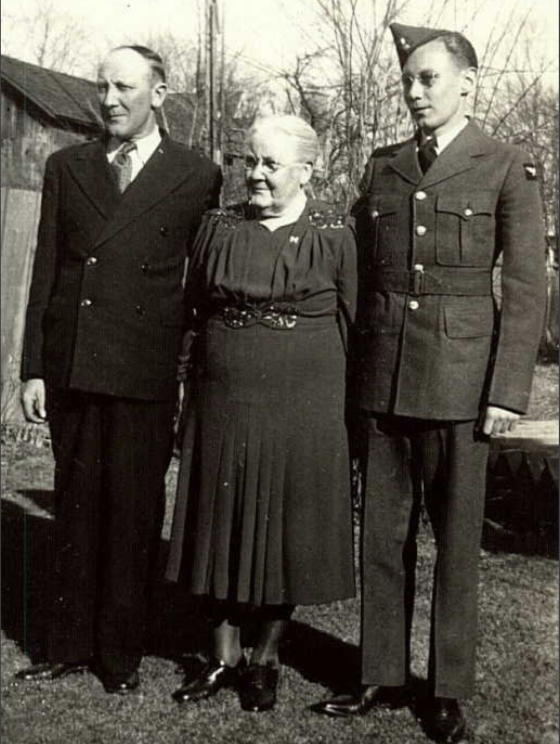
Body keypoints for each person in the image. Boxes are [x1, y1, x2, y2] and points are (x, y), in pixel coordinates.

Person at [311, 22, 546, 743]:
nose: (414, 92)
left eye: (428, 79)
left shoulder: (505, 165)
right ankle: (380, 674)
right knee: (381, 538)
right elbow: (359, 275)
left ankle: (446, 690)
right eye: (408, 80)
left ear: (468, 84)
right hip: (383, 379)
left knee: (455, 544)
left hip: (461, 385)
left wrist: (506, 391)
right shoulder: (383, 165)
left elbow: (526, 286)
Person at [16, 45, 221, 694]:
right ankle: (68, 642)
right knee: (75, 508)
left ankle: (119, 654)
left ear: (159, 94)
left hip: (145, 371)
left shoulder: (197, 174)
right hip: (73, 365)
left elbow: (202, 287)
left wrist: (189, 371)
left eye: (124, 87)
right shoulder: (67, 166)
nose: (109, 99)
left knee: (133, 514)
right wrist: (33, 368)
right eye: (102, 86)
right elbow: (45, 270)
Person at [165, 114, 357, 712]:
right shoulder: (218, 227)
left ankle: (267, 656)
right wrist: (183, 386)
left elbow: (354, 323)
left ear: (307, 170)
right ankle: (222, 654)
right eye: (250, 161)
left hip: (303, 404)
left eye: (272, 164)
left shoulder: (334, 234)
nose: (256, 174)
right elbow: (191, 315)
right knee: (218, 519)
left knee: (284, 525)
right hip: (221, 398)